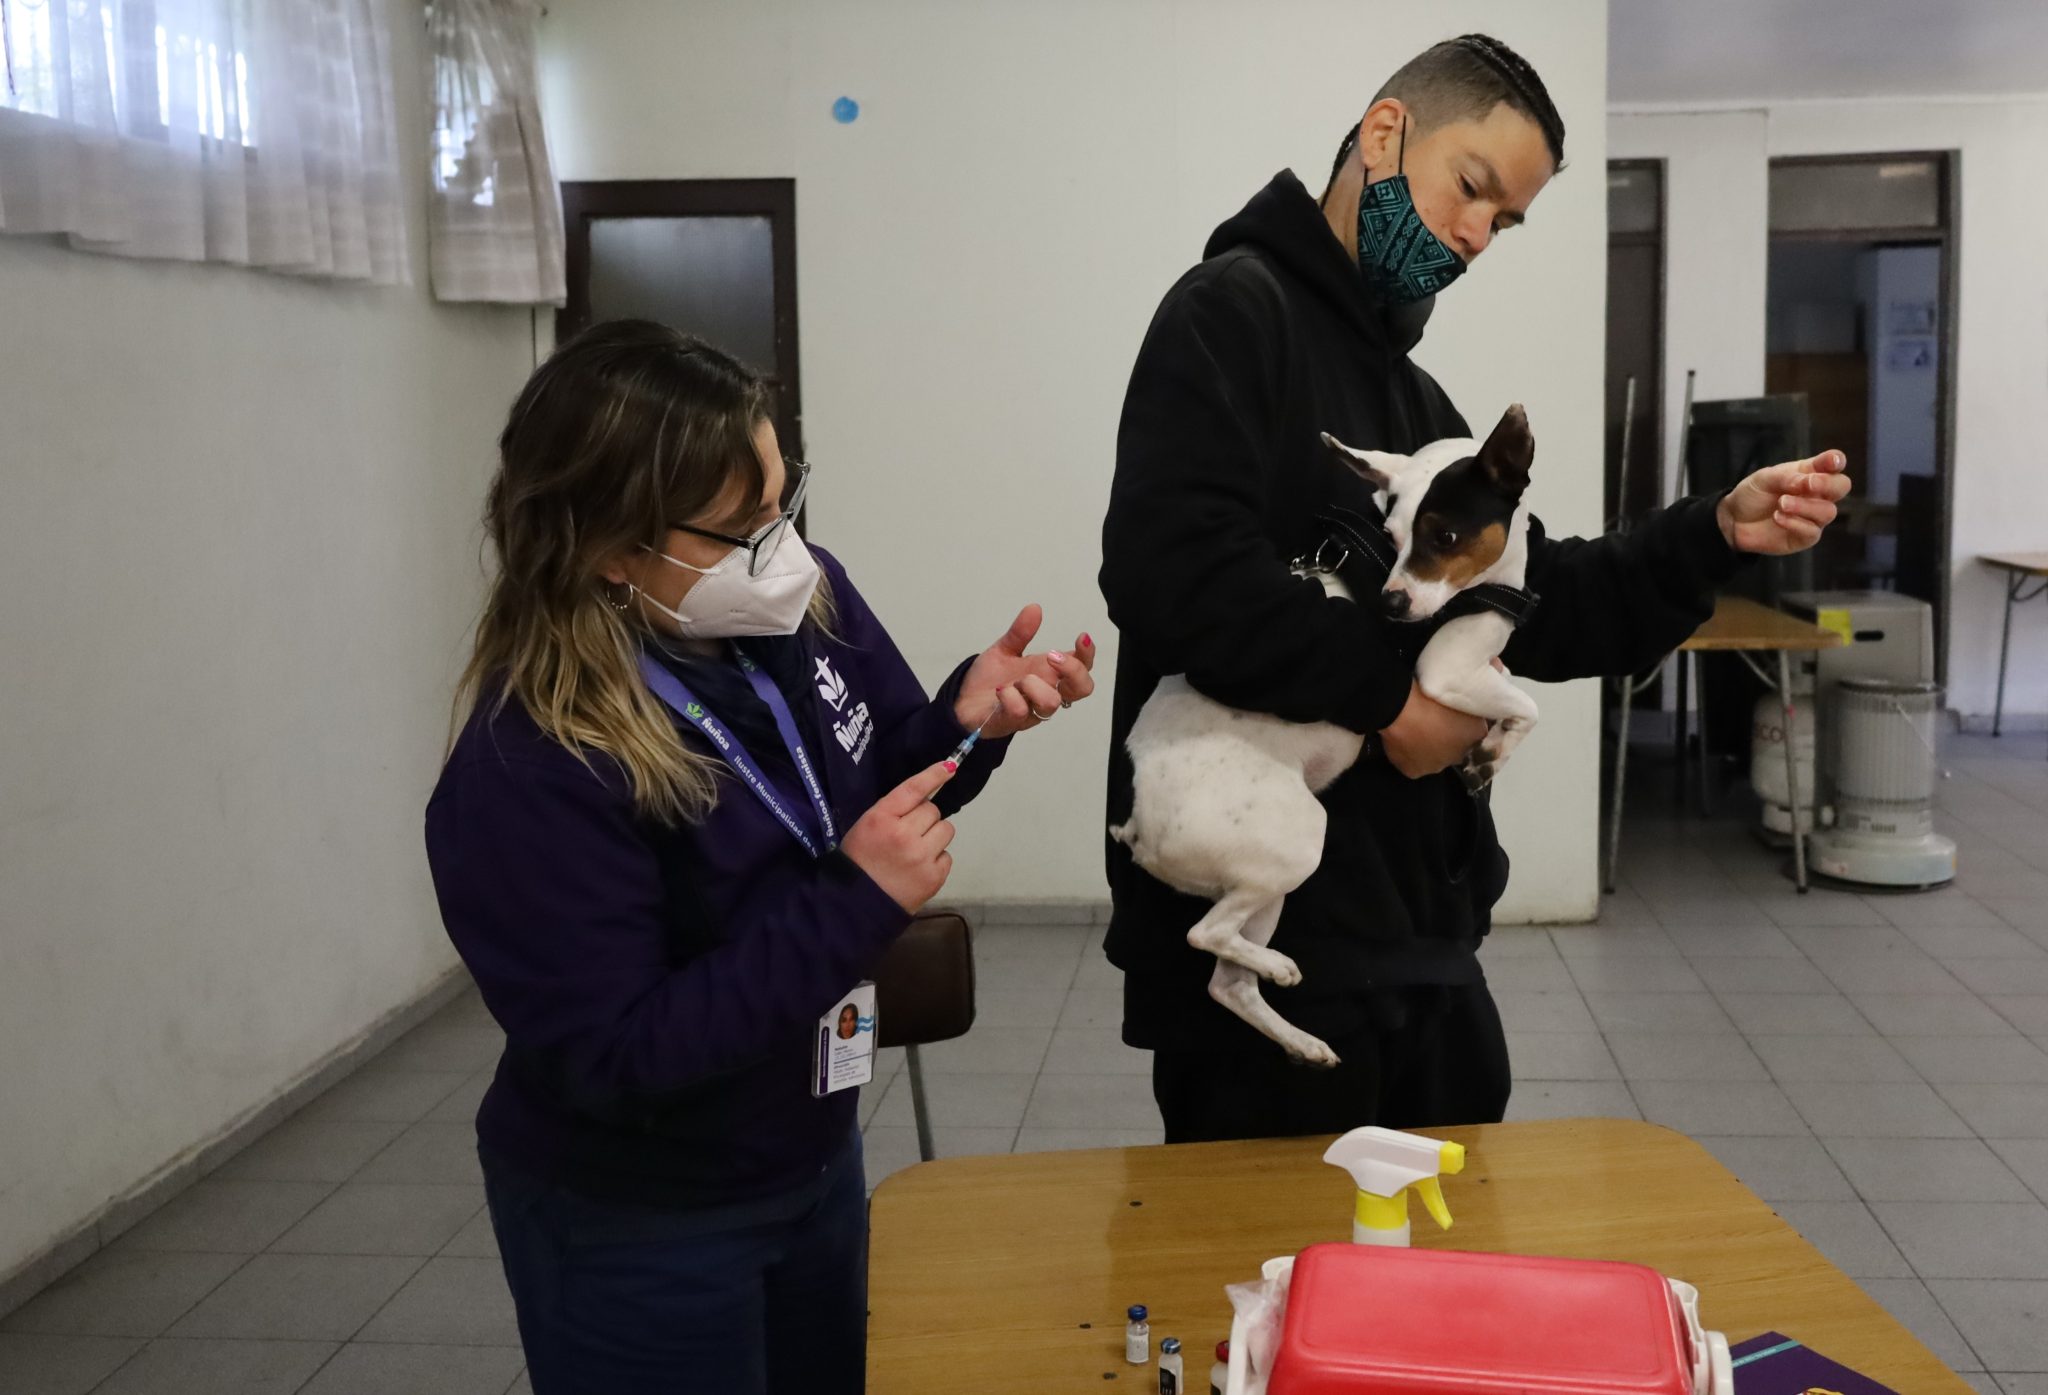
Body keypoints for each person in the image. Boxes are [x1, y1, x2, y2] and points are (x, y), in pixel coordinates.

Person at [1098, 34, 1849, 1144]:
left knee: (1442, 1289)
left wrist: (1710, 532)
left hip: (1422, 943)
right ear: (1383, 132)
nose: (1471, 235)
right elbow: (1171, 568)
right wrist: (1391, 703)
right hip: (1280, 945)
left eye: (1501, 223)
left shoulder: (1415, 399)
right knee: (1280, 1301)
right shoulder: (1228, 315)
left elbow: (1534, 593)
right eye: (1470, 189)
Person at [426, 321, 1095, 1393]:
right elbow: (615, 1056)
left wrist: (965, 727)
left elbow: (870, 788)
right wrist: (853, 902)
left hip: (809, 1153)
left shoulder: (794, 595)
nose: (779, 546)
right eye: (739, 527)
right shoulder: (532, 762)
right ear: (608, 546)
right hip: (641, 1221)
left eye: (783, 497)